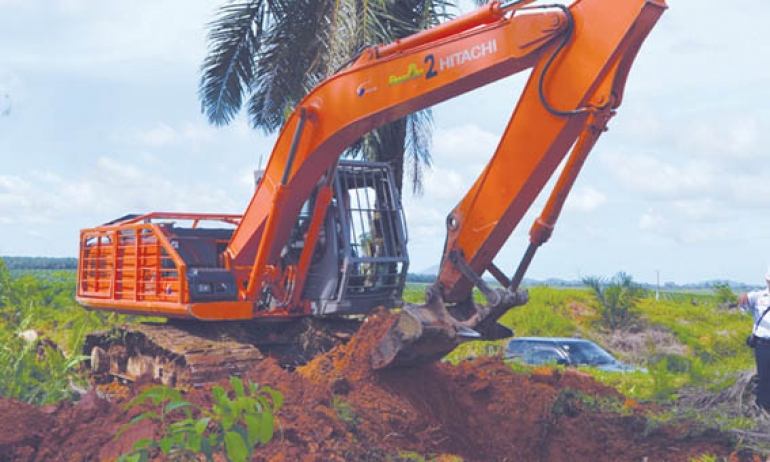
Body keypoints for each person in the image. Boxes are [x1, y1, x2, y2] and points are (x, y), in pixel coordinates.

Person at [739, 267, 770, 410]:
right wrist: (742, 298)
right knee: (764, 376)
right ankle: (763, 408)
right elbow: (743, 304)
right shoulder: (758, 297)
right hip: (763, 345)